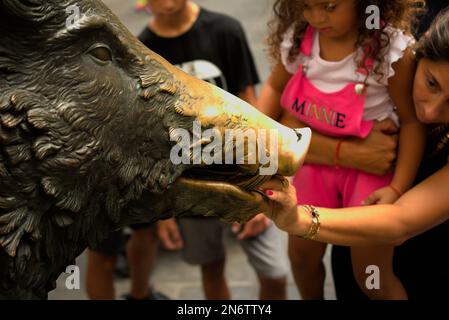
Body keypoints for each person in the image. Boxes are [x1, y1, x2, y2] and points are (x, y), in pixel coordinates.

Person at [260, 7, 449, 299]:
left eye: (331, 6)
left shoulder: (388, 48)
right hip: (316, 170)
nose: (317, 17)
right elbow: (276, 99)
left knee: (370, 276)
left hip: (371, 179)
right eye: (308, 5)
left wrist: (397, 187)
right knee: (301, 256)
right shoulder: (300, 38)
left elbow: (412, 123)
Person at [140, 0, 288, 300]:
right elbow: (151, 134)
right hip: (191, 182)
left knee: (275, 273)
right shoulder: (142, 51)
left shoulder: (225, 30)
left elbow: (251, 106)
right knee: (211, 267)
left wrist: (262, 181)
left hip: (241, 175)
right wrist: (163, 210)